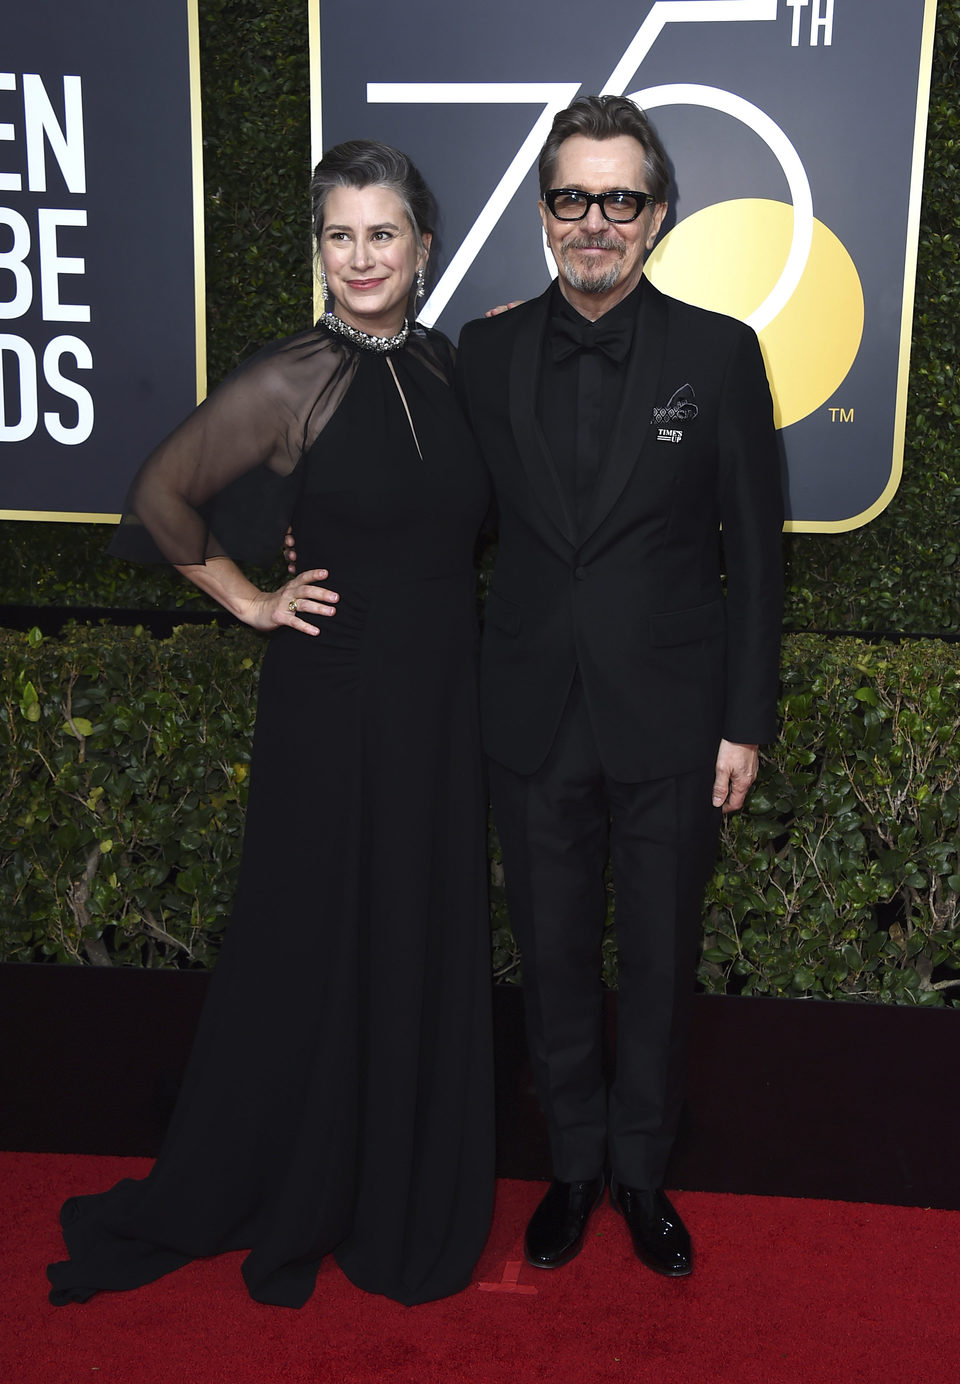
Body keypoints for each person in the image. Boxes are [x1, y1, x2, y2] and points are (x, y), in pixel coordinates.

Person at [47, 140, 494, 1309]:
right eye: (339, 235)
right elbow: (160, 491)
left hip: (441, 709)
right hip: (334, 704)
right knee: (324, 934)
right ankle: (306, 1175)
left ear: (422, 248)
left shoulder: (450, 370)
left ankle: (398, 1171)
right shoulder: (295, 378)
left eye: (382, 233)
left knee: (414, 927)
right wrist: (250, 597)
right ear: (321, 251)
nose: (360, 256)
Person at [455, 95, 784, 1277]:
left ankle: (642, 1172)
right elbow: (444, 516)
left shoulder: (719, 353)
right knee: (549, 956)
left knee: (657, 953)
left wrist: (746, 719)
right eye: (571, 198)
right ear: (545, 213)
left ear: (658, 214)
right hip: (532, 710)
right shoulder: (483, 354)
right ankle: (575, 1166)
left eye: (619, 199)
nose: (594, 221)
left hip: (673, 717)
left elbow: (756, 547)